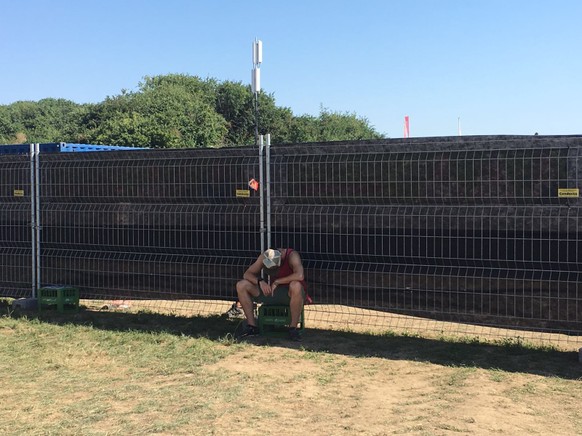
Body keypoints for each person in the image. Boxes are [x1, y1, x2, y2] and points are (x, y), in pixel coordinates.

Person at [236, 248, 309, 341]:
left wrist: (278, 281)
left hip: (290, 293)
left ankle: (293, 329)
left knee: (296, 285)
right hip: (272, 291)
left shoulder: (292, 256)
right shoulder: (265, 256)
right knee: (241, 285)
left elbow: (299, 275)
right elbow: (247, 274)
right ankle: (252, 327)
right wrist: (260, 281)